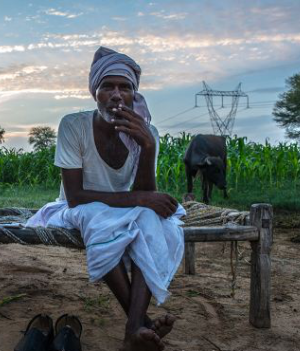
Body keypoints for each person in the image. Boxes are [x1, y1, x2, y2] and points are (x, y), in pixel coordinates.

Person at [27, 47, 186, 351]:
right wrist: (140, 199)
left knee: (154, 219)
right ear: (95, 93)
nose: (116, 95)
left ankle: (132, 332)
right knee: (97, 216)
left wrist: (148, 147)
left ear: (133, 95)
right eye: (107, 87)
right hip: (74, 209)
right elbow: (75, 197)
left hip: (122, 209)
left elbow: (145, 191)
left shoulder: (147, 131)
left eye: (124, 87)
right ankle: (140, 324)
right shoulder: (73, 126)